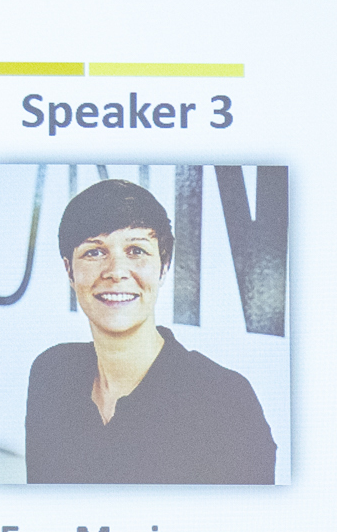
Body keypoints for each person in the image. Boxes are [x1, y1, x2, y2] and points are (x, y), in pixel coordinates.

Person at [23, 178, 276, 483]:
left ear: (164, 267)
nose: (116, 272)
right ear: (69, 271)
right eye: (94, 252)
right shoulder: (51, 374)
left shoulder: (226, 402)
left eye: (136, 250)